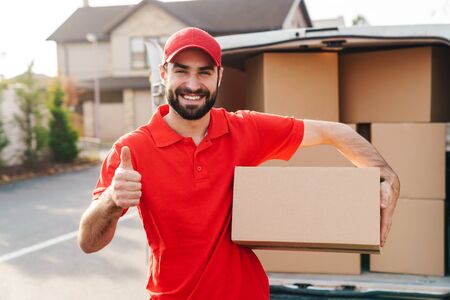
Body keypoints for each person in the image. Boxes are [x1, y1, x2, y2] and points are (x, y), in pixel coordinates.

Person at [78, 27, 400, 300]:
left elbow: (333, 132)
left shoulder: (243, 129)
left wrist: (384, 174)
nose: (193, 84)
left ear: (219, 76)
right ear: (164, 74)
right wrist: (111, 200)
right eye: (181, 71)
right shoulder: (133, 149)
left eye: (204, 72)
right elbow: (89, 242)